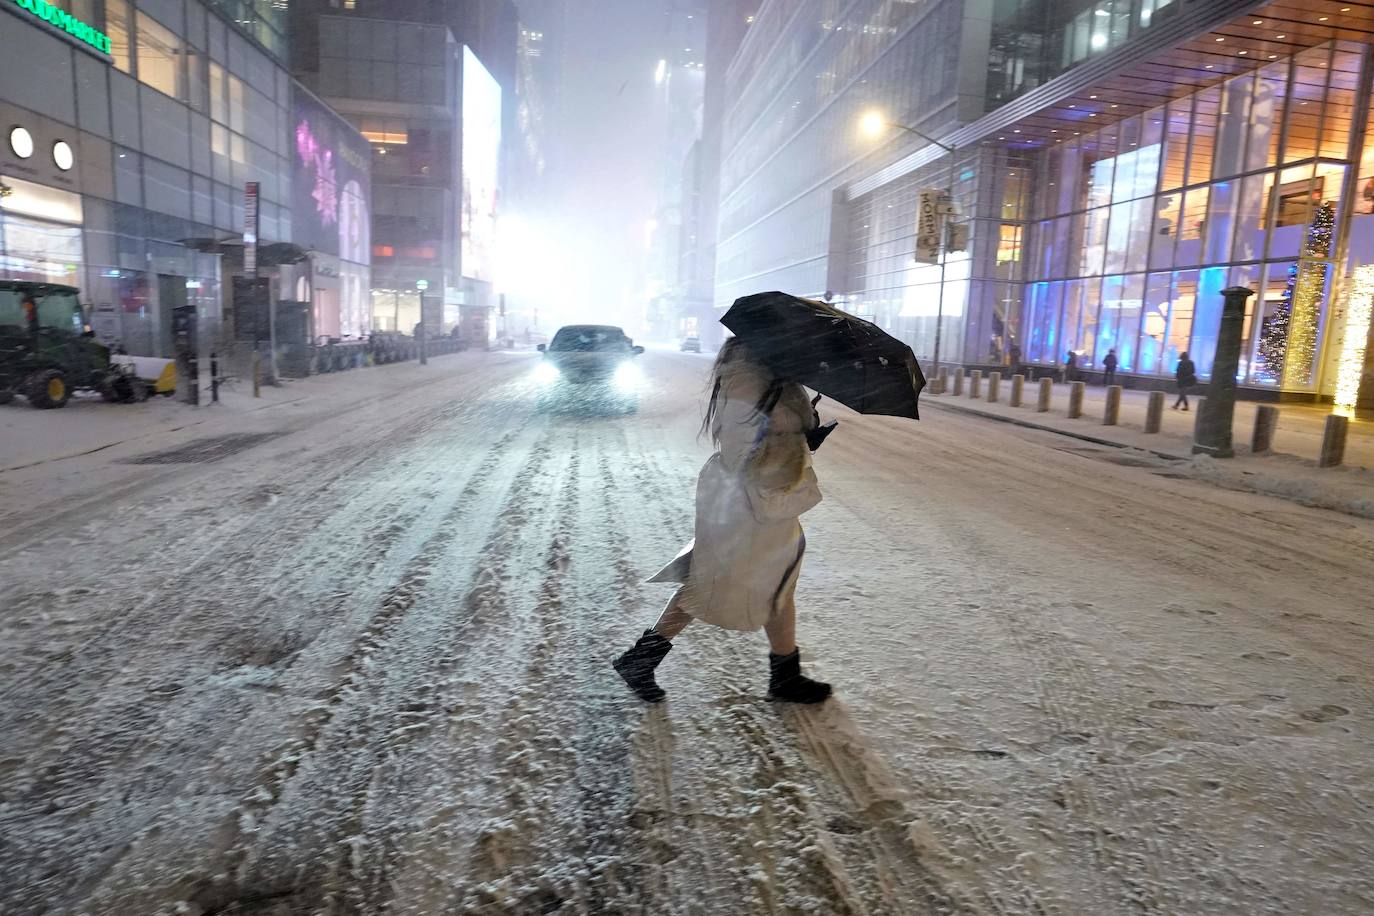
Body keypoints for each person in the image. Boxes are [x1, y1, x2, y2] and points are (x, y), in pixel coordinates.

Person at [613, 339, 832, 705]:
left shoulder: (770, 380)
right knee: (712, 585)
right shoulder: (750, 383)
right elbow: (742, 448)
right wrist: (789, 428)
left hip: (762, 500)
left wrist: (805, 433)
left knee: (775, 586)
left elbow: (769, 434)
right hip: (751, 505)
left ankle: (785, 675)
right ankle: (641, 660)